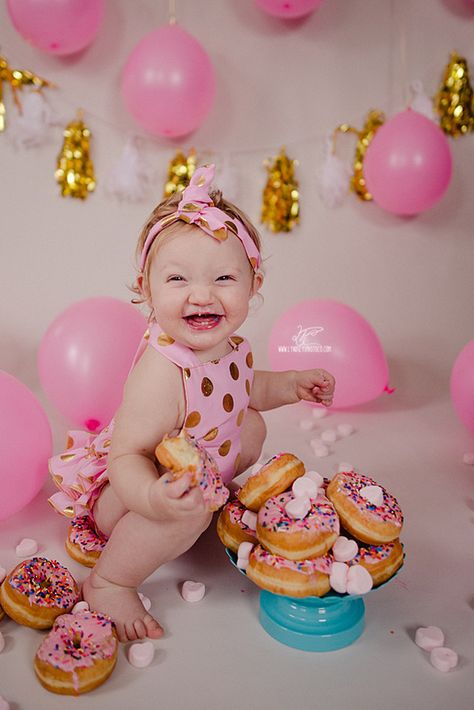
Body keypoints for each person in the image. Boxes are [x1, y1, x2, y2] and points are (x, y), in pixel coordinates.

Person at [48, 164, 335, 643]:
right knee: (190, 512)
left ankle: (199, 497)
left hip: (191, 466)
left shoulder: (230, 346)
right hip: (127, 492)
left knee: (253, 425)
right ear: (147, 289)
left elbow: (243, 388)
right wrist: (153, 499)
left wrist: (290, 385)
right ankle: (110, 582)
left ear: (253, 284)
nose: (202, 295)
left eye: (224, 277)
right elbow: (127, 456)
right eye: (178, 279)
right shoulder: (160, 375)